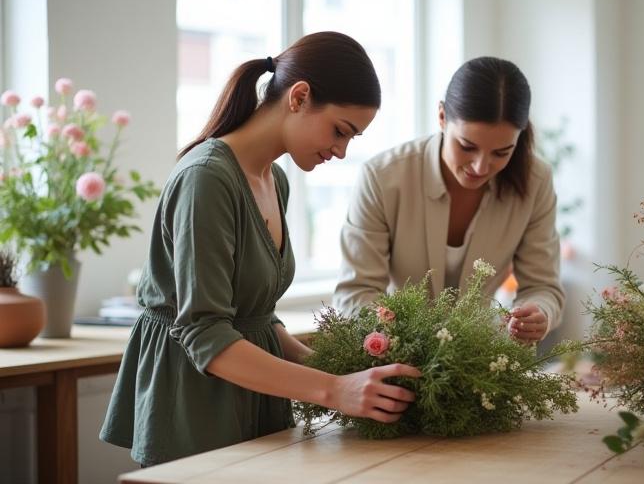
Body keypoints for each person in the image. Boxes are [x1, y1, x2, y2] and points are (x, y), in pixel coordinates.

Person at [100, 31, 421, 467]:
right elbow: (206, 334)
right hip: (194, 406)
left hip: (254, 395)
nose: (343, 151)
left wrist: (336, 370)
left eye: (353, 139)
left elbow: (255, 318)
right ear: (300, 96)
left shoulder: (275, 181)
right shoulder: (207, 178)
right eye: (340, 131)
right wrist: (333, 389)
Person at [334, 57, 564, 342]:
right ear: (442, 117)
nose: (481, 167)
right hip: (398, 351)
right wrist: (400, 340)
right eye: (467, 146)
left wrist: (540, 312)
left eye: (501, 153)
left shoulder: (535, 181)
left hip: (484, 358)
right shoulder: (382, 177)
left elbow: (544, 287)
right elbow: (356, 292)